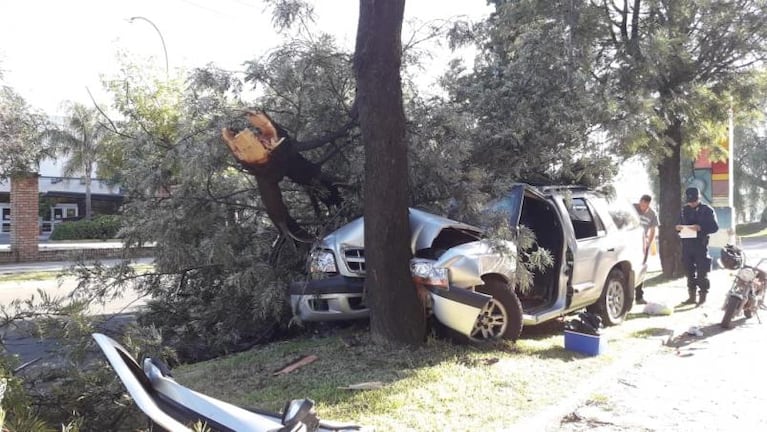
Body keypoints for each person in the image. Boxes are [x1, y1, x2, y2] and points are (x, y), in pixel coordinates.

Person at [675, 187, 719, 306]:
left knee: (702, 272)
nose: (692, 203)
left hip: (700, 245)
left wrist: (700, 227)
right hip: (687, 245)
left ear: (699, 198)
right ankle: (691, 296)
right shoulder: (684, 210)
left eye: (694, 201)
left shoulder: (707, 210)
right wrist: (678, 228)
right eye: (690, 201)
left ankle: (702, 297)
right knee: (689, 272)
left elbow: (715, 227)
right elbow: (678, 225)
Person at [633, 194, 658, 305]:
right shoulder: (632, 208)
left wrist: (648, 243)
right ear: (639, 201)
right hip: (629, 241)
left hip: (643, 243)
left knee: (641, 269)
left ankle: (639, 296)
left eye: (645, 206)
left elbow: (653, 230)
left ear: (648, 204)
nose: (642, 208)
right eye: (641, 205)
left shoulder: (652, 214)